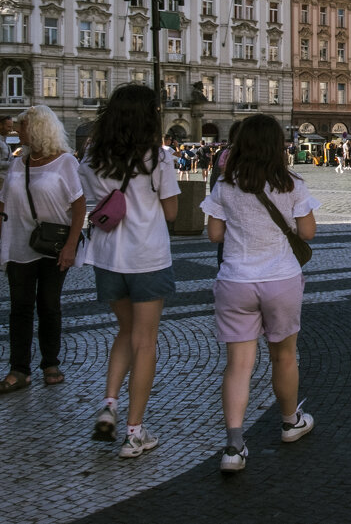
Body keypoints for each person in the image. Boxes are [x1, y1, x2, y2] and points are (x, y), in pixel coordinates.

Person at [200, 114, 320, 473]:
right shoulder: (292, 184)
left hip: (236, 280)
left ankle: (234, 446)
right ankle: (289, 422)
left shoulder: (225, 185)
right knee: (284, 357)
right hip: (280, 279)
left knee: (238, 364)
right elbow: (309, 232)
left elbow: (214, 235)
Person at [79, 84, 181, 458]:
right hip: (147, 256)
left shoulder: (93, 155)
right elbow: (171, 213)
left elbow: (90, 199)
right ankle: (135, 432)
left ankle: (109, 405)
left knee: (123, 332)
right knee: (145, 341)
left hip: (106, 256)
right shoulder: (158, 158)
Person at [0, 106, 84, 393]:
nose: (16, 130)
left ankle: (50, 362)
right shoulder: (18, 162)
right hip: (18, 245)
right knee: (20, 309)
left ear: (36, 129)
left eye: (21, 126)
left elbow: (79, 205)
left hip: (53, 246)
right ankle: (19, 369)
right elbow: (3, 202)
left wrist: (71, 246)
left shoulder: (65, 163)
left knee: (49, 305)